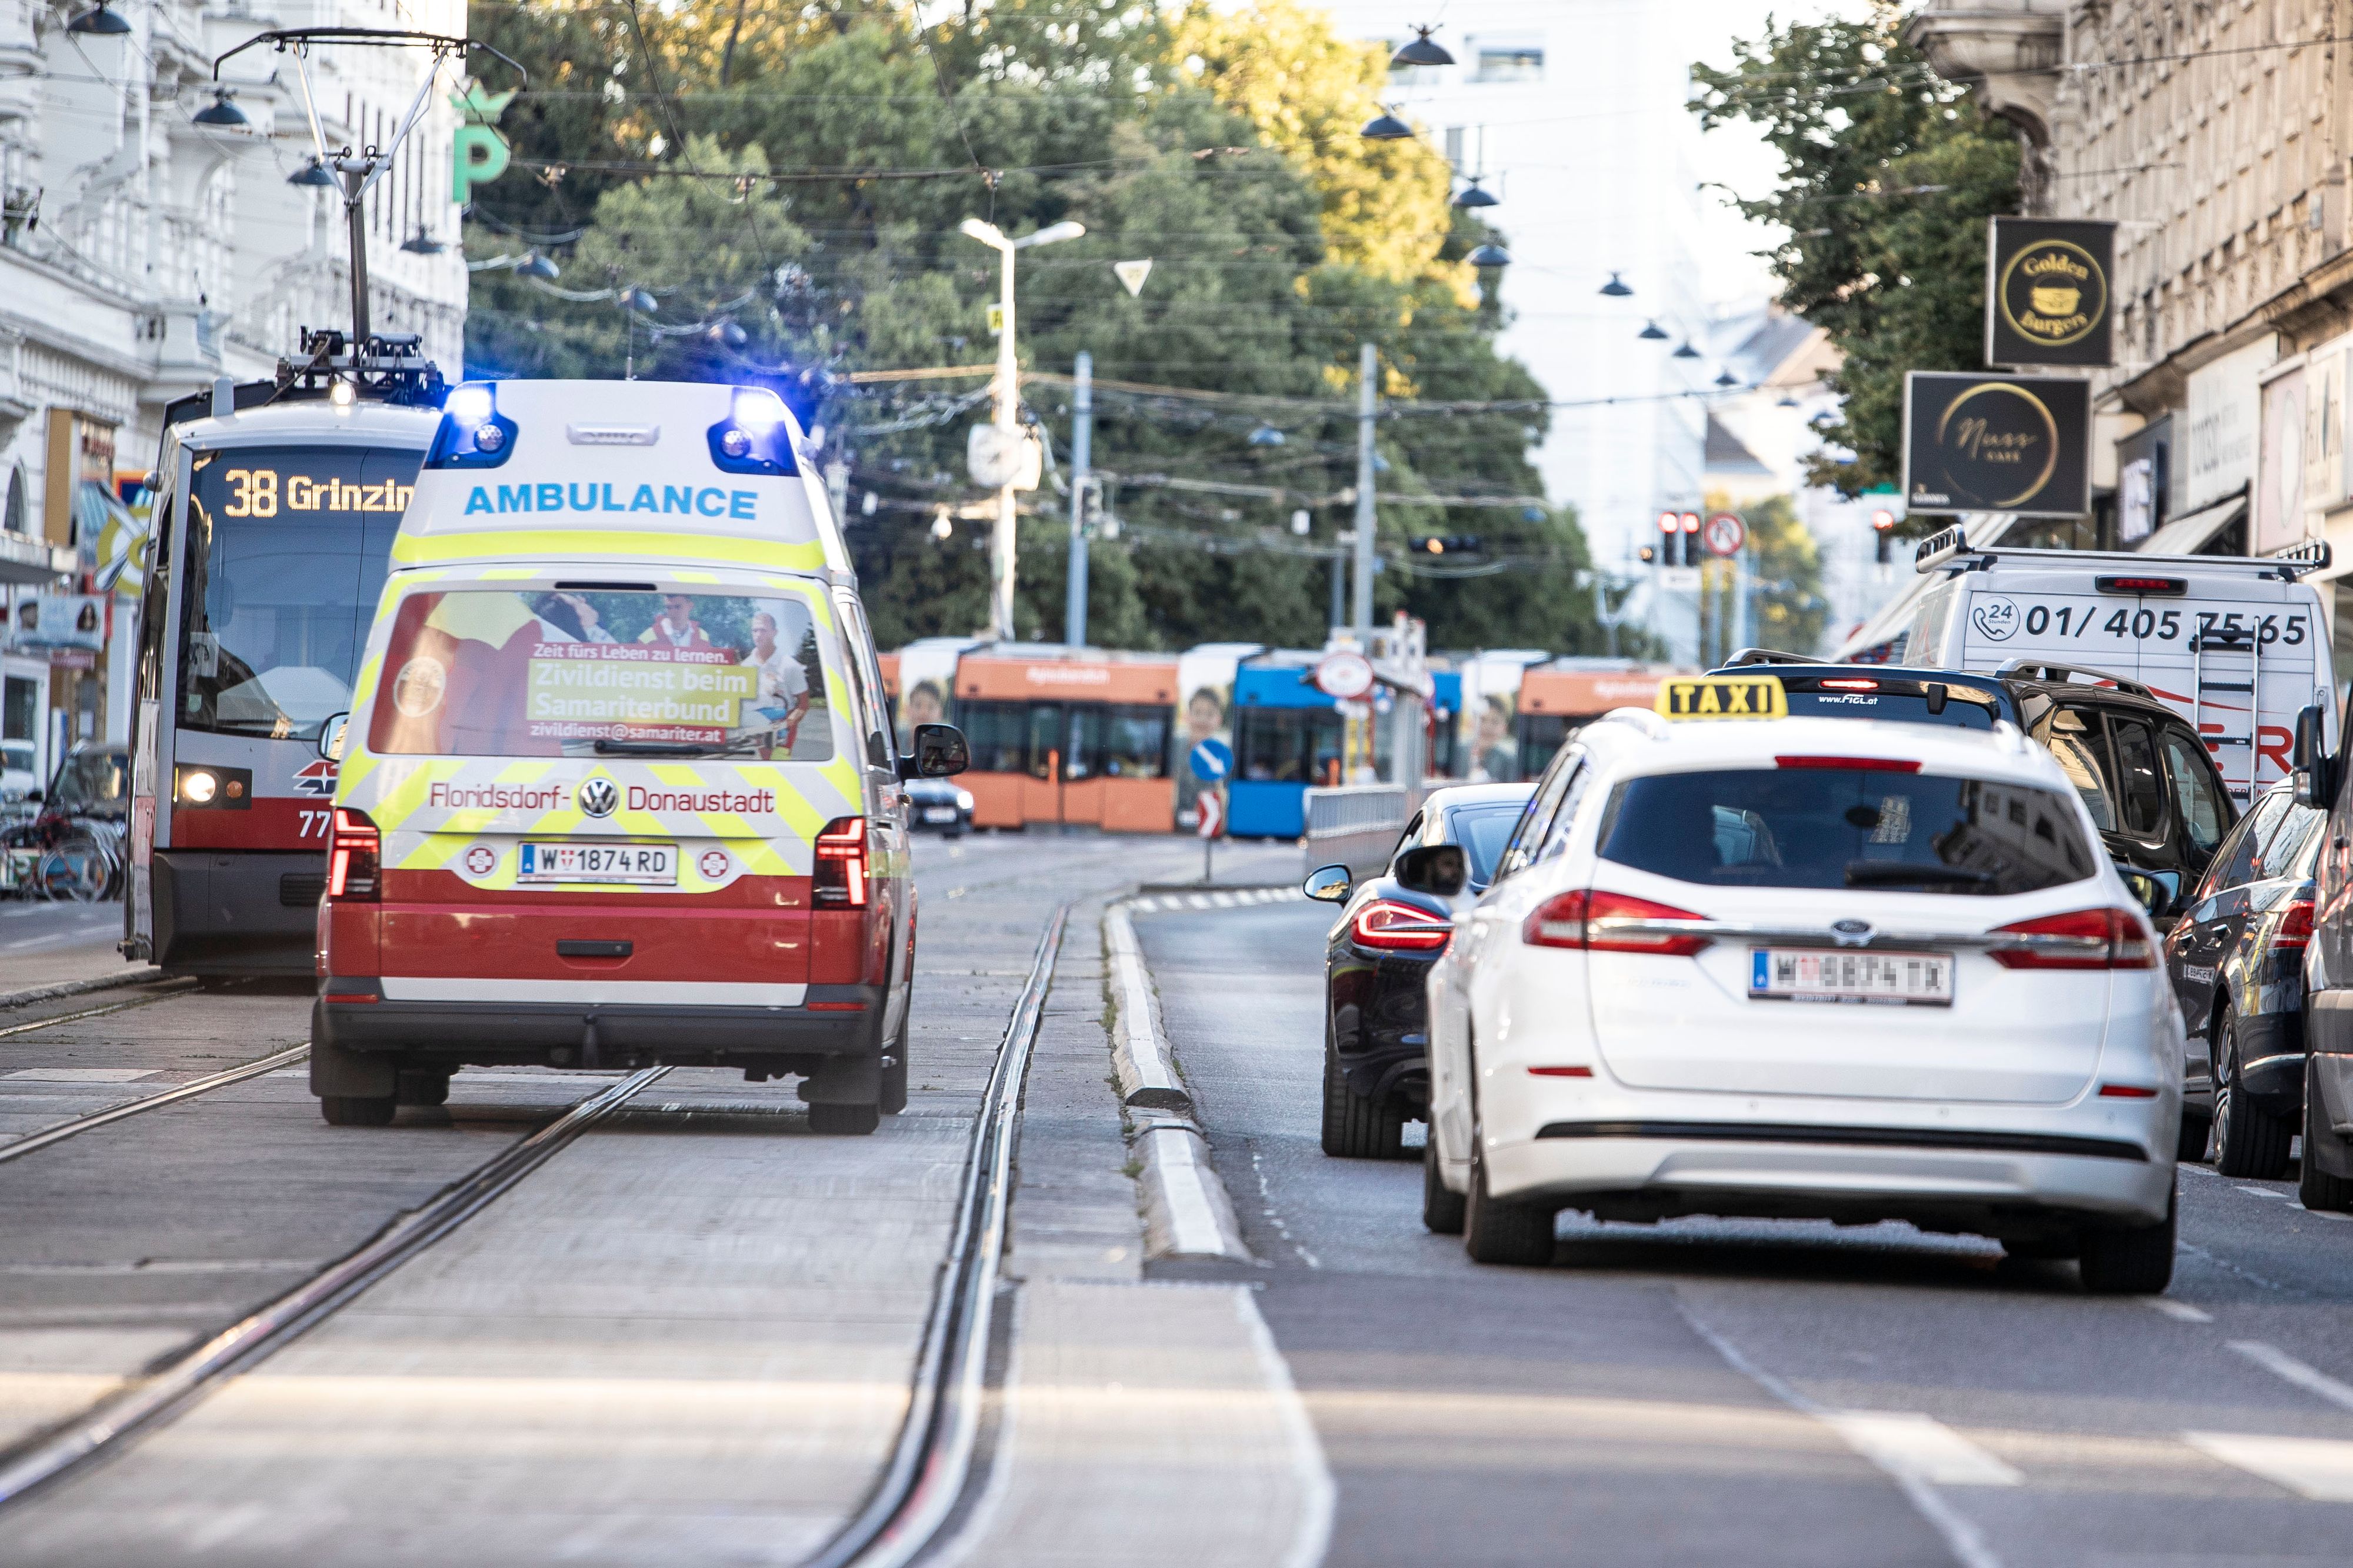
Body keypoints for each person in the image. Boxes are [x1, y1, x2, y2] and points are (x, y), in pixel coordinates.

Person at [742, 608, 811, 756]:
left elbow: (803, 704)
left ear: (775, 632)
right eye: (755, 631)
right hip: (752, 736)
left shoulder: (790, 666)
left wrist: (785, 725)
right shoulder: (745, 667)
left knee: (776, 775)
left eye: (763, 630)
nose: (758, 635)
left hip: (781, 736)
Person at [639, 594, 711, 650]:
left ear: (690, 606)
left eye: (678, 607)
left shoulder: (702, 636)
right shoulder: (649, 636)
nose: (673, 612)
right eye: (669, 608)